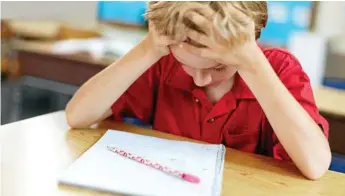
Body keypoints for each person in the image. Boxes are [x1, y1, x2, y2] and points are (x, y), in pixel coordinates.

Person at [66, 1, 331, 180]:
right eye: (187, 65)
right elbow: (77, 116)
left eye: (219, 67)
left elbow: (316, 165)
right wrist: (148, 48)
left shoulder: (278, 68)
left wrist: (252, 64)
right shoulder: (163, 63)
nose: (202, 80)